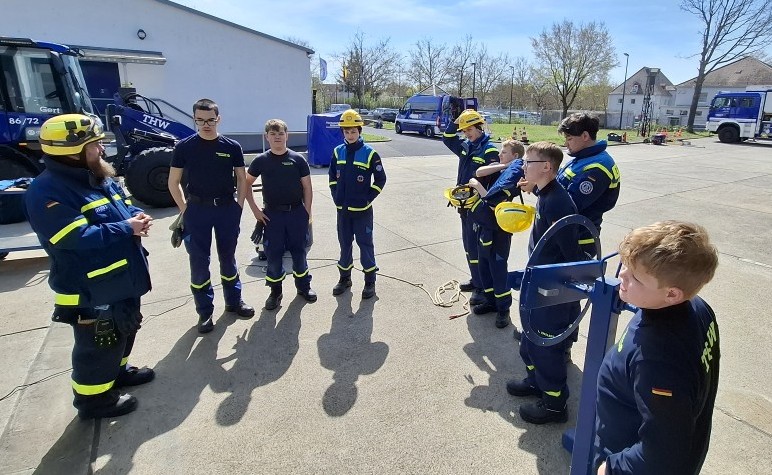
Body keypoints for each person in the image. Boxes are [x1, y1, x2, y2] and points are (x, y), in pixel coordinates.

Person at [25, 113, 154, 419]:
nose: (101, 149)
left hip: (120, 279)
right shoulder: (47, 191)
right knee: (98, 346)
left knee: (123, 331)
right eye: (94, 144)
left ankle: (117, 373)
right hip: (91, 289)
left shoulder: (97, 176)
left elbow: (121, 207)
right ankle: (94, 402)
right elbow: (74, 237)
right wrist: (127, 228)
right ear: (71, 151)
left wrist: (136, 216)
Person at [595, 221, 719, 475]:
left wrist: (612, 468)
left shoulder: (658, 361)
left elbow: (662, 455)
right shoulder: (698, 308)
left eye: (635, 277)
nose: (622, 276)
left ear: (672, 294)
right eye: (626, 266)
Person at [507, 141, 585, 424]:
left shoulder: (558, 203)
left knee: (544, 347)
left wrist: (558, 290)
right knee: (529, 342)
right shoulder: (546, 193)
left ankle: (554, 405)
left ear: (547, 167)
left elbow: (570, 255)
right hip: (539, 280)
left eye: (528, 162)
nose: (523, 167)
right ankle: (535, 382)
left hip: (551, 287)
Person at [168, 98, 254, 334]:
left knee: (228, 257)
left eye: (210, 120)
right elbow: (173, 182)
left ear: (218, 119)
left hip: (226, 209)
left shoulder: (232, 147)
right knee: (199, 262)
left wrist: (238, 207)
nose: (206, 125)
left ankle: (234, 302)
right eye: (200, 120)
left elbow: (241, 178)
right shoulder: (184, 147)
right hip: (197, 211)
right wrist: (185, 210)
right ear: (194, 120)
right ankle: (204, 312)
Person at [246, 118, 316, 309]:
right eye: (273, 134)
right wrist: (255, 211)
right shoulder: (261, 160)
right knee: (274, 254)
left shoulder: (297, 159)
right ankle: (275, 292)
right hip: (272, 216)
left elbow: (307, 187)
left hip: (296, 213)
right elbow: (246, 184)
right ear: (266, 137)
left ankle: (304, 287)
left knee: (299, 252)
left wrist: (306, 212)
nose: (277, 137)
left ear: (287, 136)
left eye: (281, 133)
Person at [442, 109, 500, 305]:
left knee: (477, 248)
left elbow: (493, 182)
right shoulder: (466, 146)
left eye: (469, 130)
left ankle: (482, 287)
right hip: (463, 204)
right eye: (464, 130)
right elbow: (447, 138)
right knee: (468, 245)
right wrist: (456, 121)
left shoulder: (489, 150)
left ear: (479, 127)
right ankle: (476, 280)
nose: (466, 134)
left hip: (478, 207)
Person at [466, 139, 525, 329]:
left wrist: (478, 187)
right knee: (484, 265)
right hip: (486, 227)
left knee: (498, 269)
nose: (499, 154)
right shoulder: (503, 170)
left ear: (515, 156)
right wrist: (503, 165)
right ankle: (490, 301)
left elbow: (492, 201)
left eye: (504, 152)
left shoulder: (512, 177)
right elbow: (479, 172)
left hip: (499, 230)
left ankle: (503, 309)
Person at [328, 110, 387, 299]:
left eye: (353, 131)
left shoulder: (370, 153)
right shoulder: (338, 151)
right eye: (346, 132)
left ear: (359, 131)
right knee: (345, 245)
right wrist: (336, 196)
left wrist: (368, 198)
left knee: (365, 245)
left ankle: (370, 282)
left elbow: (381, 179)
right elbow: (332, 177)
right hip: (343, 212)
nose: (350, 135)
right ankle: (344, 278)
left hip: (362, 212)